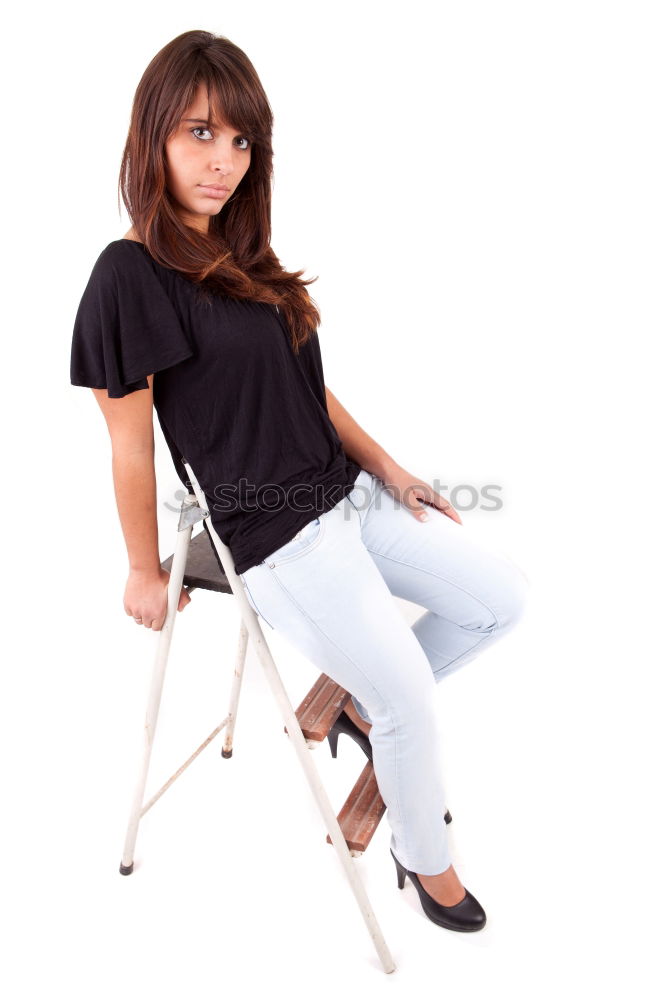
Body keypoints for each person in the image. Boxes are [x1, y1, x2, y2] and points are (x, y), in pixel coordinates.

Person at [70, 29, 529, 933]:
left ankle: (359, 700)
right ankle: (422, 857)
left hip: (347, 495)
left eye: (241, 140)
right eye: (201, 133)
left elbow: (308, 390)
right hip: (276, 537)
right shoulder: (129, 274)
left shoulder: (245, 255)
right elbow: (130, 447)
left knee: (501, 601)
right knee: (410, 706)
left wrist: (392, 470)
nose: (224, 160)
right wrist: (140, 567)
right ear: (152, 134)